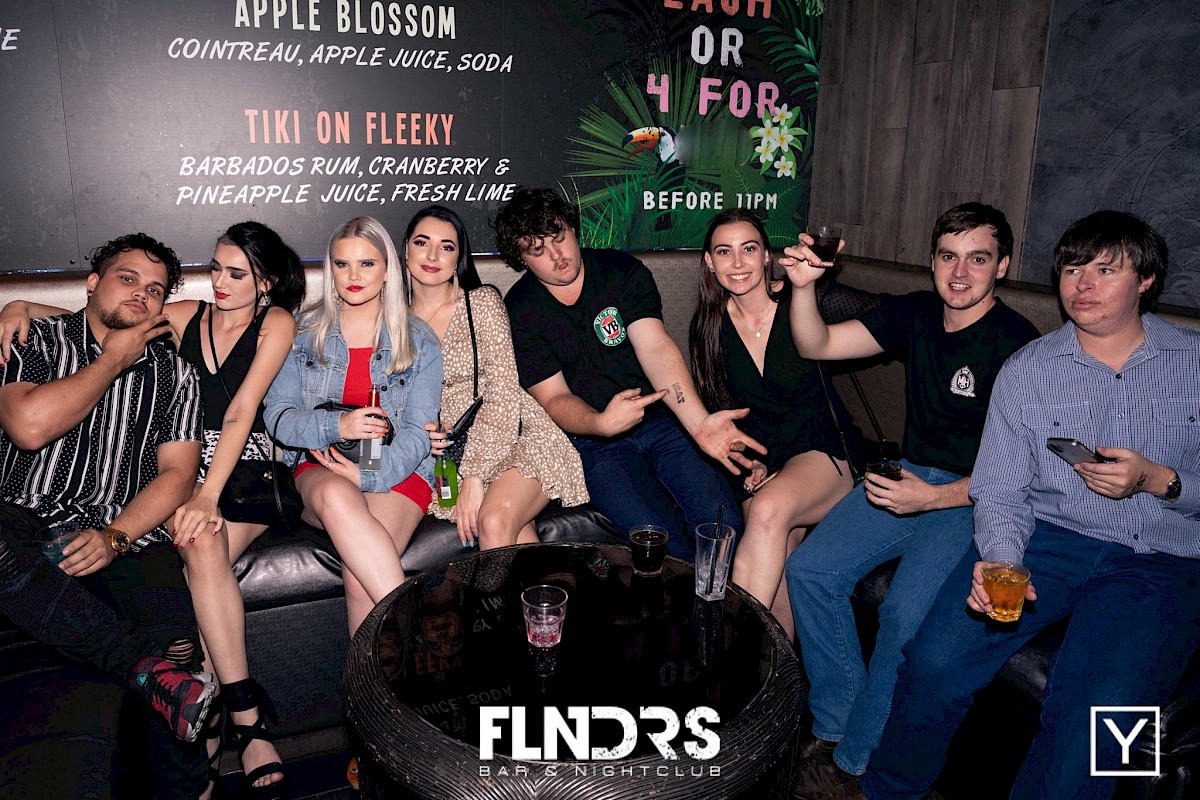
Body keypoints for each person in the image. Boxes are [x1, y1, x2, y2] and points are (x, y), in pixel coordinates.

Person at [861, 211, 1200, 800]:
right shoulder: (1029, 369)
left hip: (1161, 557)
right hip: (1048, 537)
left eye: (1105, 270)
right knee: (933, 661)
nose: (1082, 285)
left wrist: (1160, 480)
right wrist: (1001, 559)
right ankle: (888, 791)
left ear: (1146, 280)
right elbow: (999, 487)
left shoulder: (1193, 362)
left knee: (1099, 715)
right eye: (1072, 269)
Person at [1, 222, 305, 797]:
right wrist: (23, 307)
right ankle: (170, 692)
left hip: (196, 489)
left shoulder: (225, 346)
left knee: (190, 587)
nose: (219, 282)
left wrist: (166, 513)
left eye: (155, 289)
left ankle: (228, 742)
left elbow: (221, 432)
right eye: (214, 269)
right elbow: (40, 411)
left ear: (264, 282)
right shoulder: (54, 340)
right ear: (94, 282)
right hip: (46, 513)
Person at [781, 203, 1040, 797]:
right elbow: (818, 344)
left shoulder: (1019, 345)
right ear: (932, 261)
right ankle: (836, 723)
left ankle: (855, 763)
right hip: (910, 475)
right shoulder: (917, 311)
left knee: (901, 615)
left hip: (975, 495)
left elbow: (1024, 471)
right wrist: (804, 287)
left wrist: (934, 497)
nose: (960, 273)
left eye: (977, 259)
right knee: (810, 570)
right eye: (949, 257)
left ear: (1001, 266)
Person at [0, 233, 216, 800]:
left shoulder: (174, 373)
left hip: (120, 531)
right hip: (22, 520)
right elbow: (29, 428)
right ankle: (136, 664)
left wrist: (115, 537)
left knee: (179, 652)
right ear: (92, 283)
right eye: (128, 278)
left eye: (156, 289)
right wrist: (113, 359)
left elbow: (179, 475)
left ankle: (187, 791)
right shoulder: (34, 340)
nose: (142, 294)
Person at [496, 187, 760, 558]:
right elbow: (554, 397)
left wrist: (698, 423)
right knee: (657, 541)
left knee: (721, 525)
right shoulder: (521, 308)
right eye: (538, 250)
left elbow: (655, 347)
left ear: (573, 229)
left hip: (662, 422)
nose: (557, 255)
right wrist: (601, 423)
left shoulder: (621, 271)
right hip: (593, 442)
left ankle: (712, 596)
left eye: (559, 238)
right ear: (521, 258)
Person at [264, 216, 442, 635]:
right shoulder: (303, 332)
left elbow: (419, 431)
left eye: (367, 264)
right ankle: (415, 637)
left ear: (387, 271)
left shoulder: (418, 340)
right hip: (322, 464)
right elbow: (278, 416)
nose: (353, 276)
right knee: (336, 495)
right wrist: (337, 426)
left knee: (359, 576)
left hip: (398, 468)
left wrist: (369, 476)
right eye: (342, 264)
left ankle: (371, 677)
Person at [689, 209, 860, 632]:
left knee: (767, 511)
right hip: (763, 461)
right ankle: (777, 672)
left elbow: (894, 320)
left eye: (749, 249)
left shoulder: (808, 298)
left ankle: (726, 648)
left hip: (823, 450)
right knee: (779, 581)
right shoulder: (708, 326)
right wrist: (752, 461)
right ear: (709, 262)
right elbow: (727, 415)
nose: (738, 263)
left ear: (767, 255)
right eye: (724, 252)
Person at [402, 205, 588, 548]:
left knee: (493, 520)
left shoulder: (482, 303)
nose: (432, 255)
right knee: (519, 541)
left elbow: (504, 392)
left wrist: (474, 476)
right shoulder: (394, 322)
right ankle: (547, 587)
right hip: (449, 456)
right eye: (422, 243)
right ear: (405, 251)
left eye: (446, 246)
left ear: (458, 258)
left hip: (515, 435)